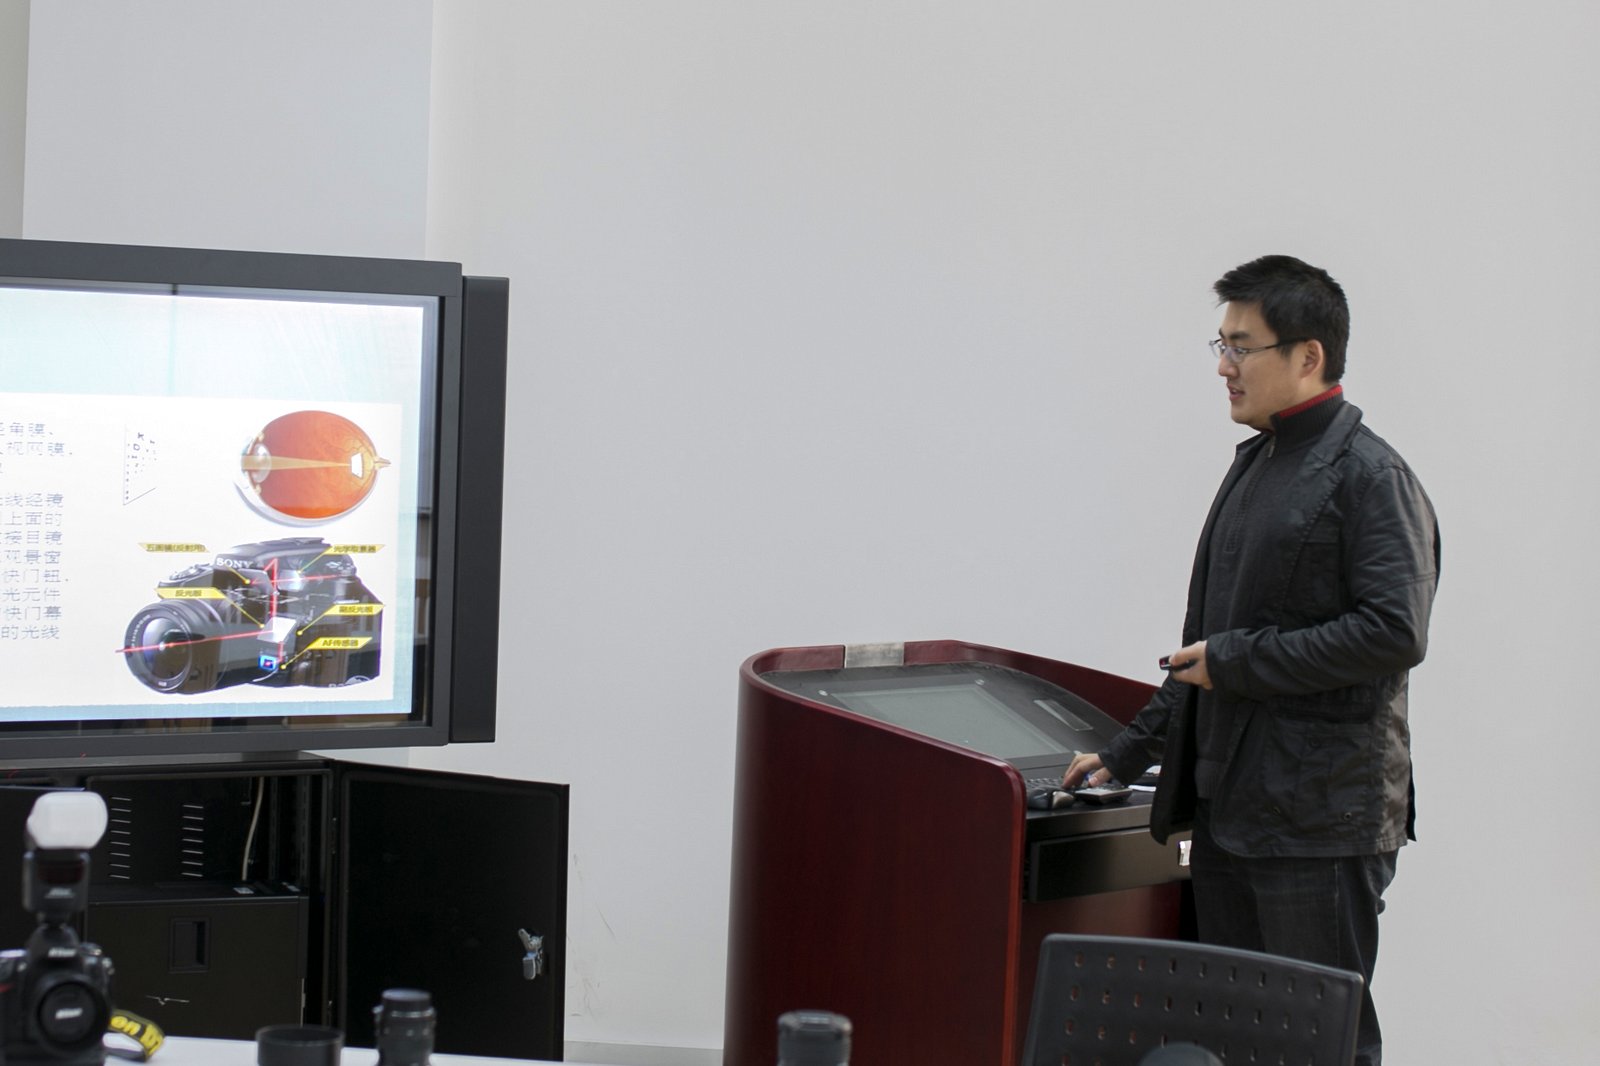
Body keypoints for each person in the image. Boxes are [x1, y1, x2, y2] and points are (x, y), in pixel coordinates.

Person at [1061, 255, 1440, 1066]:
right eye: (1221, 345)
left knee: (1319, 1045)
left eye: (1242, 346)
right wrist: (1127, 751)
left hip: (1318, 823)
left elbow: (1393, 632)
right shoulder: (1256, 465)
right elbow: (1203, 647)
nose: (1224, 366)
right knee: (1236, 1041)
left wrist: (1236, 659)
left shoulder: (1372, 477)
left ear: (1309, 356)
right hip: (1231, 813)